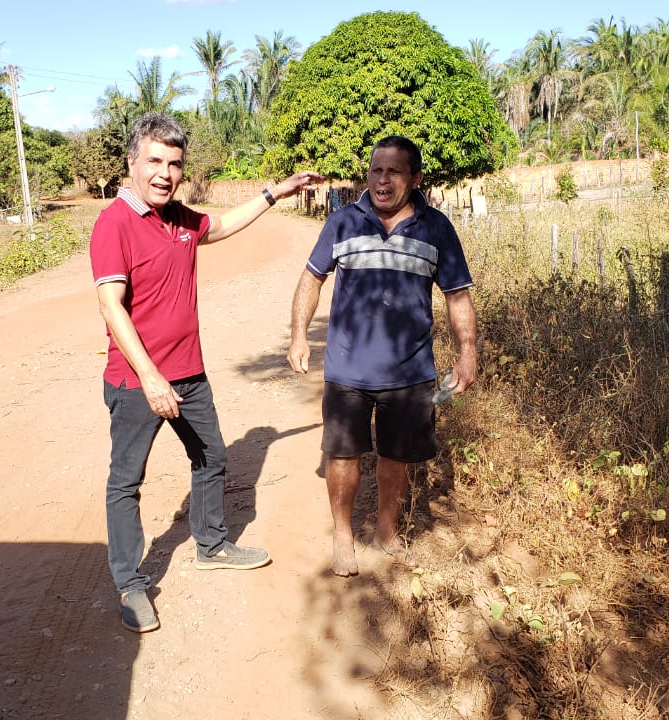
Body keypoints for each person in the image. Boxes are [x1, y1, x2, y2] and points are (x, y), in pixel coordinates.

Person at [91, 112, 324, 632]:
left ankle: (211, 544)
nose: (164, 173)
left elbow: (220, 225)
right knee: (126, 482)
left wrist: (277, 193)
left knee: (211, 455)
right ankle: (130, 585)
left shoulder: (178, 218)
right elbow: (112, 308)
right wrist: (151, 377)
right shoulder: (115, 223)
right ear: (131, 163)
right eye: (153, 161)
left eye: (174, 164)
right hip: (137, 380)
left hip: (189, 372)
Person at [288, 135, 478, 577]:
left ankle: (387, 531)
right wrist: (299, 335)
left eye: (394, 171)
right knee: (342, 455)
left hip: (410, 370)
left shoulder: (437, 229)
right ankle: (343, 536)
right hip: (347, 368)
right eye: (376, 170)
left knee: (396, 456)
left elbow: (457, 296)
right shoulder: (343, 222)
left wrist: (468, 353)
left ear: (415, 178)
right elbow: (311, 279)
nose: (382, 179)